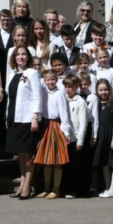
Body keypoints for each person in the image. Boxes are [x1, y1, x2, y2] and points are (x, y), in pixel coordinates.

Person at [5, 46, 43, 199]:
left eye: (23, 54)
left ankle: (27, 185)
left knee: (28, 154)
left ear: (28, 57)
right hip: (15, 117)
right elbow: (10, 99)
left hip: (27, 119)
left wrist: (35, 117)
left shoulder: (32, 73)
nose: (20, 57)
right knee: (20, 154)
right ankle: (21, 184)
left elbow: (37, 96)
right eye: (18, 54)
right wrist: (7, 117)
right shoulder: (12, 75)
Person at [35, 68, 70, 199]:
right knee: (46, 160)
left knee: (56, 159)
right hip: (44, 125)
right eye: (48, 79)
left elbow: (64, 112)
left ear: (57, 80)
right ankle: (46, 187)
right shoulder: (42, 91)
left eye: (53, 79)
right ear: (44, 80)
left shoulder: (59, 93)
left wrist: (66, 131)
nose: (51, 82)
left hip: (55, 126)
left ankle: (56, 189)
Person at [63, 73, 91, 199]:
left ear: (76, 87)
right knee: (67, 165)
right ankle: (67, 187)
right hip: (66, 138)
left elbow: (83, 122)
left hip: (76, 139)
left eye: (70, 87)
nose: (68, 90)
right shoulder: (64, 99)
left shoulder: (80, 101)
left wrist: (80, 141)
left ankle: (77, 189)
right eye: (66, 87)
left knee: (77, 166)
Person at [91, 78, 113, 198]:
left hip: (110, 135)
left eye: (105, 89)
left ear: (109, 90)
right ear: (97, 91)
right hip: (100, 136)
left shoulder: (112, 103)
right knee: (104, 163)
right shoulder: (96, 103)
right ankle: (107, 188)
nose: (103, 92)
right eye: (100, 90)